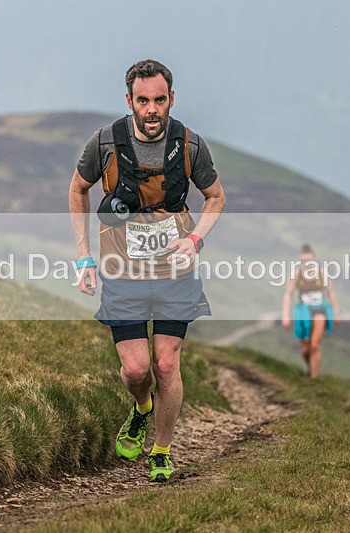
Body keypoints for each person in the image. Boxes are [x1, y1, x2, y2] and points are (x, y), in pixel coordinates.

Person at [68, 59, 225, 482]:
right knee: (137, 370)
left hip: (176, 273)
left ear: (171, 98)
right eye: (143, 101)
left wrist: (194, 240)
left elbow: (215, 197)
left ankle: (161, 450)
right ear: (130, 101)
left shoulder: (190, 145)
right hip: (122, 271)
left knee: (167, 365)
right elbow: (78, 189)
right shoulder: (103, 144)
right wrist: (84, 257)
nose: (152, 109)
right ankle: (142, 408)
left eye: (160, 100)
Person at [282, 244, 340, 378]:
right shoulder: (297, 274)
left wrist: (336, 312)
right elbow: (288, 294)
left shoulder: (322, 273)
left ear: (314, 258)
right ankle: (310, 368)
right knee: (305, 349)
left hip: (320, 309)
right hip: (303, 310)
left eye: (309, 261)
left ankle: (314, 377)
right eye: (304, 261)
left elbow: (330, 292)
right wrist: (286, 316)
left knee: (314, 344)